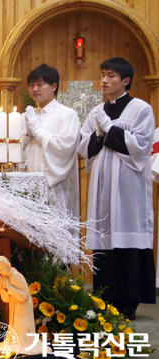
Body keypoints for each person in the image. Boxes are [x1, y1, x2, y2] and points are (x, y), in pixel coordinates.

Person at [79, 57, 156, 320]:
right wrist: (100, 134)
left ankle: (130, 301)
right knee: (105, 239)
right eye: (102, 75)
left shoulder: (141, 109)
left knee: (128, 239)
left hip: (129, 188)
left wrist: (109, 128)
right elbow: (84, 145)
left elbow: (141, 146)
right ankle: (106, 297)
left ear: (125, 81)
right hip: (102, 186)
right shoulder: (96, 111)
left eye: (110, 76)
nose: (104, 80)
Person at [22, 64, 81, 218]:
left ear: (54, 86)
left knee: (56, 228)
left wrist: (38, 132)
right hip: (30, 184)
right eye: (32, 85)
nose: (35, 89)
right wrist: (26, 135)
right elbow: (17, 151)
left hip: (56, 187)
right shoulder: (29, 115)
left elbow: (65, 147)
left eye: (40, 85)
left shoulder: (67, 114)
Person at [0, 256, 49, 355]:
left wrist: (10, 288)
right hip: (13, 306)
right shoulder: (1, 279)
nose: (0, 271)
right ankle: (13, 343)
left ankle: (24, 344)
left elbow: (23, 296)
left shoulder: (16, 276)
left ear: (8, 265)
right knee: (14, 325)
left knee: (22, 326)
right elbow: (5, 299)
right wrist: (4, 290)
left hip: (23, 307)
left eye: (1, 268)